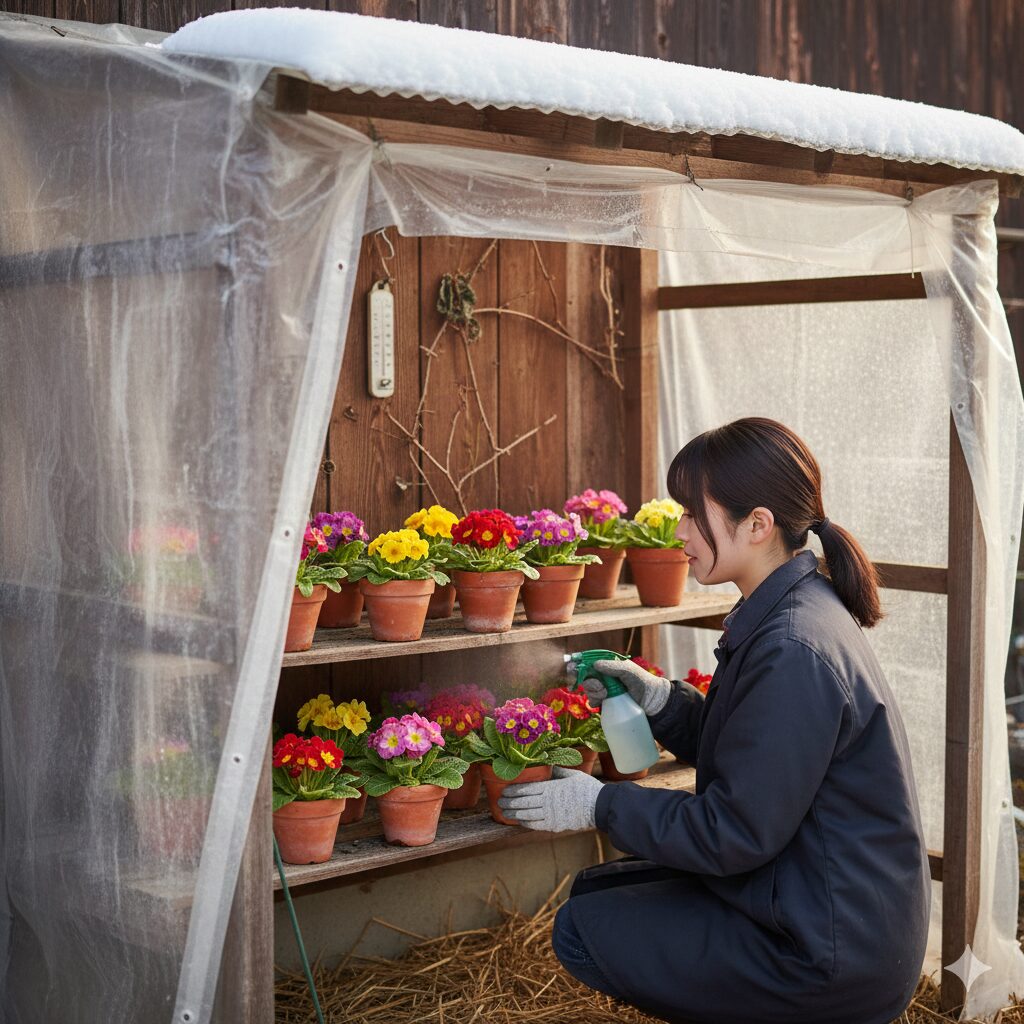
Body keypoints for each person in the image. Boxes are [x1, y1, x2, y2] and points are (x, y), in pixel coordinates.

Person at [498, 417, 930, 1024]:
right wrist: (661, 702)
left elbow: (735, 830)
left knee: (581, 927)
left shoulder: (793, 647)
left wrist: (600, 807)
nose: (678, 531)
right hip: (821, 904)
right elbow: (755, 757)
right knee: (600, 890)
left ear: (757, 525)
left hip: (825, 955)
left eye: (692, 514)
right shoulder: (791, 606)